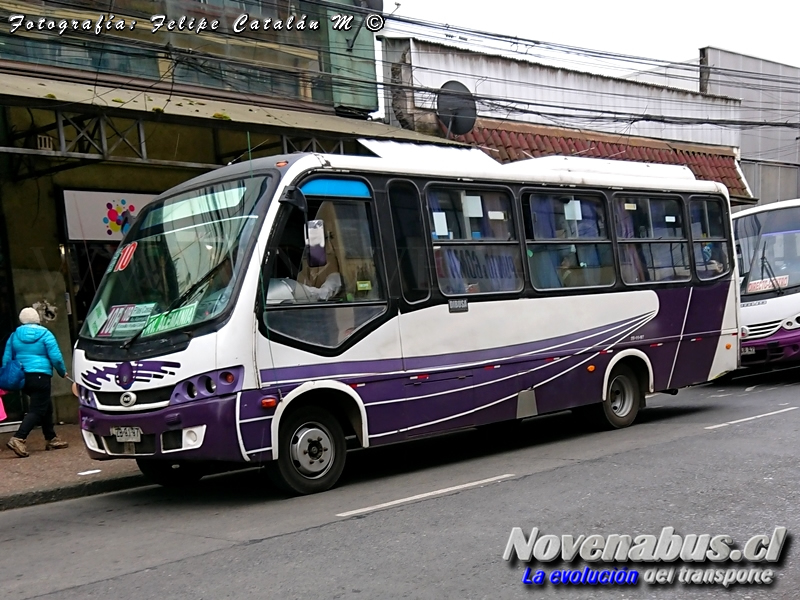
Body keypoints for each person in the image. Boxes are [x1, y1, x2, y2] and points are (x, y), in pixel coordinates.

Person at [4, 307, 69, 458]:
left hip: (23, 377)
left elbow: (7, 358)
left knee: (45, 405)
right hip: (41, 375)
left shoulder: (14, 336)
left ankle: (51, 437)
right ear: (37, 319)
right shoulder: (46, 334)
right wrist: (62, 371)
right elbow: (56, 357)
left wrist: (8, 375)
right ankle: (19, 437)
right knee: (37, 409)